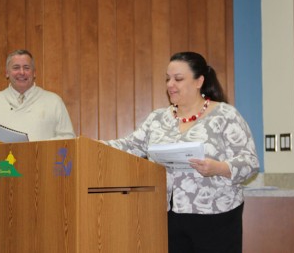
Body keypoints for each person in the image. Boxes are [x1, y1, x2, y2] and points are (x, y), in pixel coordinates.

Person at [105, 51, 259, 253]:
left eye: (178, 79)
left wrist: (219, 168)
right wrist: (93, 145)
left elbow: (250, 162)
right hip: (169, 217)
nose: (170, 84)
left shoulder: (225, 115)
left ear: (199, 81)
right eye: (168, 79)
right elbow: (130, 145)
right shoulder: (158, 118)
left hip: (217, 217)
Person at [0, 49, 76, 253]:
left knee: (40, 245)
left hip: (41, 190)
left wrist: (36, 149)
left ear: (34, 72)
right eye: (16, 67)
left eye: (26, 67)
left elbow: (68, 142)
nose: (21, 72)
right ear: (7, 72)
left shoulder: (53, 102)